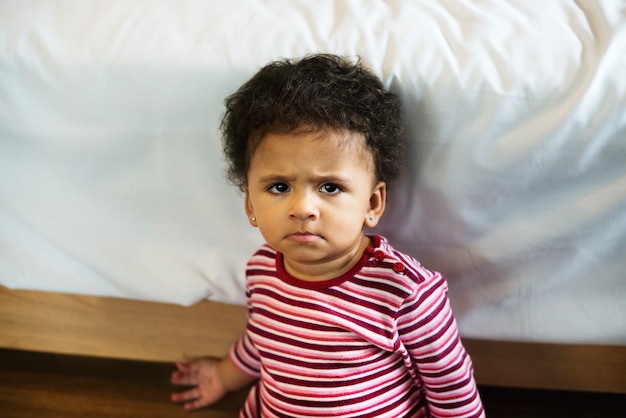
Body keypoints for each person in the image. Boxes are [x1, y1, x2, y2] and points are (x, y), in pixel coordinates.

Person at [171, 53, 485, 417]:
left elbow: (451, 388)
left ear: (372, 202)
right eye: (278, 186)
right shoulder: (262, 270)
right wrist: (224, 377)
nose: (303, 208)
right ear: (250, 206)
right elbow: (264, 341)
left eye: (330, 188)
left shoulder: (404, 292)